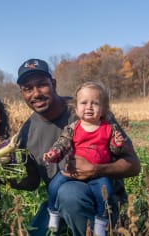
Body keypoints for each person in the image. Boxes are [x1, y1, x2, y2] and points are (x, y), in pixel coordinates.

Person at [10, 58, 140, 236]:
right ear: (22, 93)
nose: (36, 93)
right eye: (28, 89)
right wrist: (4, 177)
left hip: (99, 201)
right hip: (56, 205)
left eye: (42, 85)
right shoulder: (26, 132)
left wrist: (96, 169)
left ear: (53, 84)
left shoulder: (87, 109)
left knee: (69, 193)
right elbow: (32, 182)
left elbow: (133, 164)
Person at [42, 82, 131, 235]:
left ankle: (100, 223)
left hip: (99, 174)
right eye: (84, 103)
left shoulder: (109, 128)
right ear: (76, 109)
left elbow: (115, 150)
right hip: (73, 173)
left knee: (105, 195)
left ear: (103, 109)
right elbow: (62, 145)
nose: (89, 107)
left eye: (95, 103)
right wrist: (53, 155)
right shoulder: (73, 128)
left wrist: (118, 143)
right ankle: (54, 212)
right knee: (54, 186)